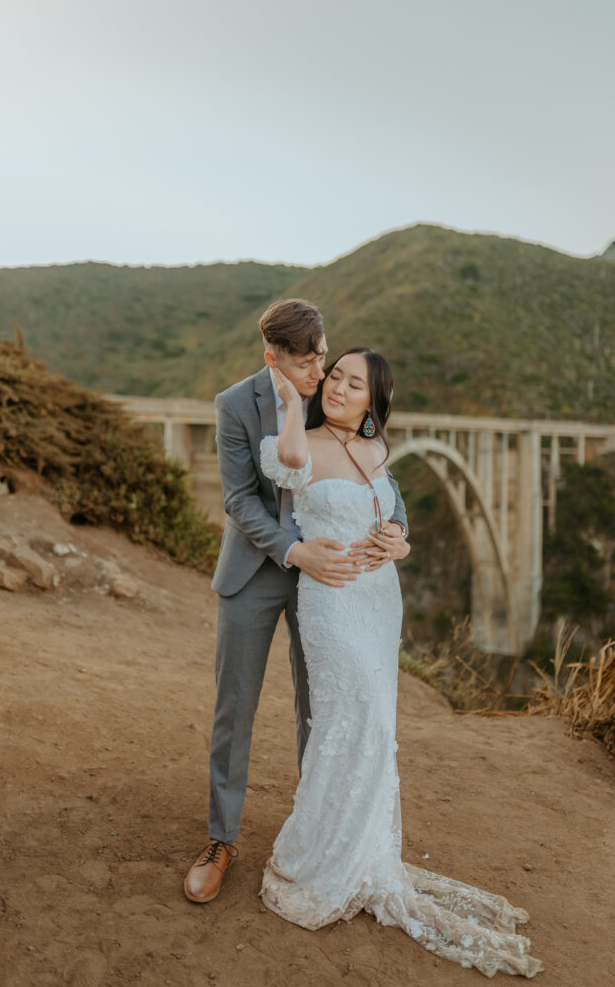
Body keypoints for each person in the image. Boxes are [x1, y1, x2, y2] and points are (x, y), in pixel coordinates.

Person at [257, 347, 544, 979]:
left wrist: (401, 544)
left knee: (378, 731)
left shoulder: (379, 453)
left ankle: (364, 855)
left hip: (379, 603)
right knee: (347, 723)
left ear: (372, 402)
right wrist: (287, 403)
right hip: (331, 600)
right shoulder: (303, 441)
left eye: (353, 383)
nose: (338, 387)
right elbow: (288, 466)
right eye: (334, 377)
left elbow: (396, 522)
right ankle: (321, 860)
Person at [183, 300, 409, 904]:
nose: (320, 372)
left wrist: (398, 533)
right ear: (272, 357)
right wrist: (294, 551)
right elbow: (239, 501)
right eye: (306, 362)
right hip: (257, 571)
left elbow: (376, 473)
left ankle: (320, 838)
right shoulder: (235, 405)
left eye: (323, 356)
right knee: (236, 707)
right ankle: (220, 839)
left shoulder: (335, 394)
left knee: (323, 710)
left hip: (332, 586)